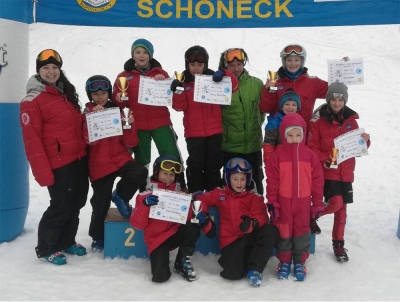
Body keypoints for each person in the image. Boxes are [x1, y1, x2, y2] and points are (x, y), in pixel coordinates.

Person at [20, 49, 89, 265]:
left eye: (55, 67)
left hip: (78, 159)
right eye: (46, 68)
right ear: (39, 71)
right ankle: (48, 247)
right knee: (60, 205)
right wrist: (43, 173)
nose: (51, 71)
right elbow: (32, 141)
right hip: (58, 164)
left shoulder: (65, 92)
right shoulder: (32, 101)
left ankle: (67, 240)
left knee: (77, 202)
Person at [307, 82, 371, 262]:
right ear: (328, 100)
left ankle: (338, 243)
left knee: (342, 211)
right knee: (335, 203)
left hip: (347, 172)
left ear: (345, 101)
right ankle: (312, 215)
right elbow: (311, 147)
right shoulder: (318, 120)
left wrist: (365, 141)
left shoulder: (352, 120)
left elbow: (358, 147)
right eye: (333, 99)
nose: (336, 103)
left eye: (340, 100)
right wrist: (325, 159)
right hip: (328, 173)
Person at [82, 75, 147, 251]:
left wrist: (129, 125)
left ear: (109, 93)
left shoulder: (118, 112)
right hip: (99, 164)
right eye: (95, 94)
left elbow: (130, 143)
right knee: (100, 203)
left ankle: (120, 195)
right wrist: (93, 121)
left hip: (119, 157)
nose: (100, 97)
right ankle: (97, 237)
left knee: (139, 172)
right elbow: (88, 141)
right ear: (90, 96)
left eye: (103, 93)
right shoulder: (87, 114)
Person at [112, 38, 186, 192]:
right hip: (138, 125)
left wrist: (163, 81)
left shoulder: (161, 73)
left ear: (150, 55)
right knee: (142, 161)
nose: (141, 56)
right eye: (138, 52)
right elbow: (117, 101)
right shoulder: (124, 76)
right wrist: (118, 98)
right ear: (133, 55)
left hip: (161, 122)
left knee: (171, 155)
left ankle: (179, 190)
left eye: (145, 52)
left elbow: (170, 95)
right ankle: (144, 192)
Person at [195, 158, 280, 287]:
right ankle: (241, 261)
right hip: (231, 241)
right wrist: (205, 218)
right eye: (235, 179)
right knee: (232, 275)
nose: (239, 183)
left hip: (249, 236)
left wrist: (253, 223)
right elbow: (201, 199)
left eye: (243, 179)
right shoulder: (220, 193)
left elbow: (261, 214)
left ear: (248, 178)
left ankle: (255, 269)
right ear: (228, 178)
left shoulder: (253, 195)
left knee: (270, 230)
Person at [130, 155, 215, 283]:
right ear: (156, 173)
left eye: (172, 174)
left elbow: (188, 214)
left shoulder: (180, 195)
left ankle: (182, 261)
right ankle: (162, 261)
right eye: (165, 173)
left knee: (192, 227)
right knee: (160, 278)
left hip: (174, 233)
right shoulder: (145, 196)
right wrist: (145, 206)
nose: (168, 177)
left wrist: (202, 219)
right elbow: (137, 225)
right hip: (157, 239)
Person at [171, 45, 239, 193]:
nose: (196, 68)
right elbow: (179, 107)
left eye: (200, 65)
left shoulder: (214, 79)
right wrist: (178, 91)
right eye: (192, 65)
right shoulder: (184, 83)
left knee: (213, 165)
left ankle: (213, 195)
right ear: (187, 65)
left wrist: (224, 72)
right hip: (194, 134)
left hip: (215, 132)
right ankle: (196, 195)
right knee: (196, 165)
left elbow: (234, 87)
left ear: (205, 64)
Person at [266, 113, 324, 281]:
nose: (294, 139)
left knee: (302, 232)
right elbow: (272, 181)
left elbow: (318, 182)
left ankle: (299, 262)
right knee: (284, 232)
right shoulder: (277, 156)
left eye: (298, 135)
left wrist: (317, 204)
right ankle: (284, 261)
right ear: (284, 135)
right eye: (290, 135)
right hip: (283, 203)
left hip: (303, 204)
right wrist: (272, 202)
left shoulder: (310, 156)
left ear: (303, 135)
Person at [217, 48, 265, 195]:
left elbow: (262, 111)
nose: (236, 69)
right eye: (232, 65)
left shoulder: (256, 84)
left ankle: (259, 216)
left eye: (239, 64)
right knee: (231, 186)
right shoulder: (219, 85)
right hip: (230, 147)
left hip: (253, 146)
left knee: (255, 183)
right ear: (225, 66)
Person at [259, 44, 328, 124]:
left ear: (302, 61)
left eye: (296, 60)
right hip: (281, 132)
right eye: (289, 60)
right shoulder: (276, 83)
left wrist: (341, 67)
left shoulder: (313, 82)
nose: (292, 63)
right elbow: (266, 109)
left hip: (304, 133)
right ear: (284, 62)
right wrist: (269, 91)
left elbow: (335, 90)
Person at [263, 88, 300, 171]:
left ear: (297, 108)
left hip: (296, 163)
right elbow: (268, 146)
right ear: (281, 107)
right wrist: (269, 164)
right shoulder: (274, 122)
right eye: (287, 104)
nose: (290, 107)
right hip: (279, 163)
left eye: (294, 105)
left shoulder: (300, 122)